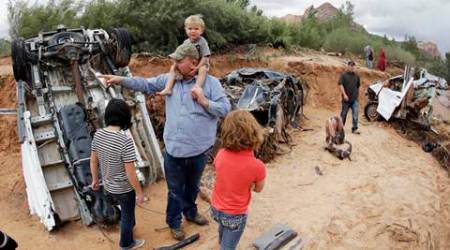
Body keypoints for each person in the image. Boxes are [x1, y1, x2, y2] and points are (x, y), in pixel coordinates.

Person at [99, 43, 231, 241]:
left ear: (194, 62)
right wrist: (120, 79)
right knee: (175, 191)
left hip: (199, 150)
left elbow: (225, 109)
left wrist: (204, 101)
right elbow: (145, 84)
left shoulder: (210, 84)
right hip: (174, 151)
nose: (175, 64)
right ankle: (174, 222)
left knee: (193, 186)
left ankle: (191, 212)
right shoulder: (170, 80)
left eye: (179, 60)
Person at [90, 98, 146, 250]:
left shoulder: (98, 134)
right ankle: (126, 244)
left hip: (108, 186)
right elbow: (131, 173)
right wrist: (140, 193)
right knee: (128, 213)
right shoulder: (125, 141)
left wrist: (95, 180)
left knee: (125, 210)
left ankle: (129, 227)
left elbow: (93, 161)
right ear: (125, 117)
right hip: (124, 188)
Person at [210, 110, 266, 250]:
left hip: (216, 209)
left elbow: (218, 171)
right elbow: (258, 189)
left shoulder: (221, 154)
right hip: (235, 215)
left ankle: (221, 242)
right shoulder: (257, 166)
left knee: (223, 231)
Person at [158, 14, 211, 96]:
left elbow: (205, 57)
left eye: (196, 29)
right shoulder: (186, 42)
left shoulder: (202, 42)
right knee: (173, 68)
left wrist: (197, 68)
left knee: (203, 69)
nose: (193, 31)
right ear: (185, 30)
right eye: (190, 29)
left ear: (201, 31)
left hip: (201, 63)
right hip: (189, 64)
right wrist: (176, 66)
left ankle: (197, 87)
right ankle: (168, 88)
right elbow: (180, 56)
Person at [339, 60, 361, 134]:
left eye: (353, 66)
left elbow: (358, 86)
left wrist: (357, 96)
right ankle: (340, 129)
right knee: (343, 114)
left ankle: (354, 129)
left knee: (355, 114)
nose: (352, 67)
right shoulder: (343, 75)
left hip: (354, 99)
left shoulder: (357, 76)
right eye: (350, 66)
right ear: (348, 66)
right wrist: (344, 95)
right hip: (346, 99)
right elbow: (340, 85)